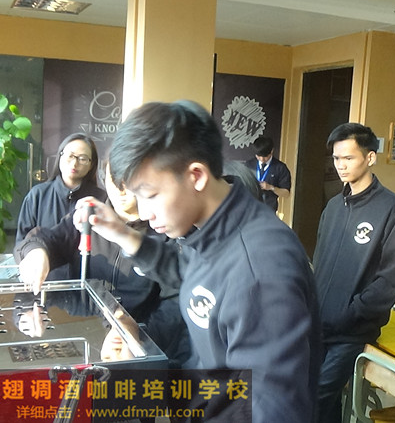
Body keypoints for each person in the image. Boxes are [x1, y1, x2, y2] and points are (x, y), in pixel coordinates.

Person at [72, 100, 322, 422]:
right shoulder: (212, 227)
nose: (144, 213)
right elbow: (192, 273)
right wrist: (122, 234)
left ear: (196, 176)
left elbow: (272, 410)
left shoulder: (259, 269)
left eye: (150, 195)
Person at [13, 164, 190, 366]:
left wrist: (140, 335)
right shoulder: (89, 216)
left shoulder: (164, 229)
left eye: (128, 179)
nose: (121, 189)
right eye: (114, 179)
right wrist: (36, 252)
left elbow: (175, 300)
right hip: (84, 333)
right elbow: (47, 239)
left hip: (137, 342)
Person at [312, 122, 395, 423]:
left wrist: (350, 313)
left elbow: (390, 279)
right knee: (320, 402)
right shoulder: (333, 207)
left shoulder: (392, 209)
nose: (340, 165)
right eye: (336, 158)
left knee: (314, 398)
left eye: (348, 158)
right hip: (317, 326)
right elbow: (320, 263)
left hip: (351, 331)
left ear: (370, 157)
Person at [15, 133, 106, 245]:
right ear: (60, 156)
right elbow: (22, 244)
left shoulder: (101, 199)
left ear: (91, 165)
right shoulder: (37, 195)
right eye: (70, 156)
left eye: (82, 159)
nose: (74, 163)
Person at [244, 135, 291, 212]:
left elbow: (286, 194)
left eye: (265, 156)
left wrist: (271, 188)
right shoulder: (248, 165)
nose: (262, 159)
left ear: (271, 151)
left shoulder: (280, 167)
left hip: (268, 210)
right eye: (258, 156)